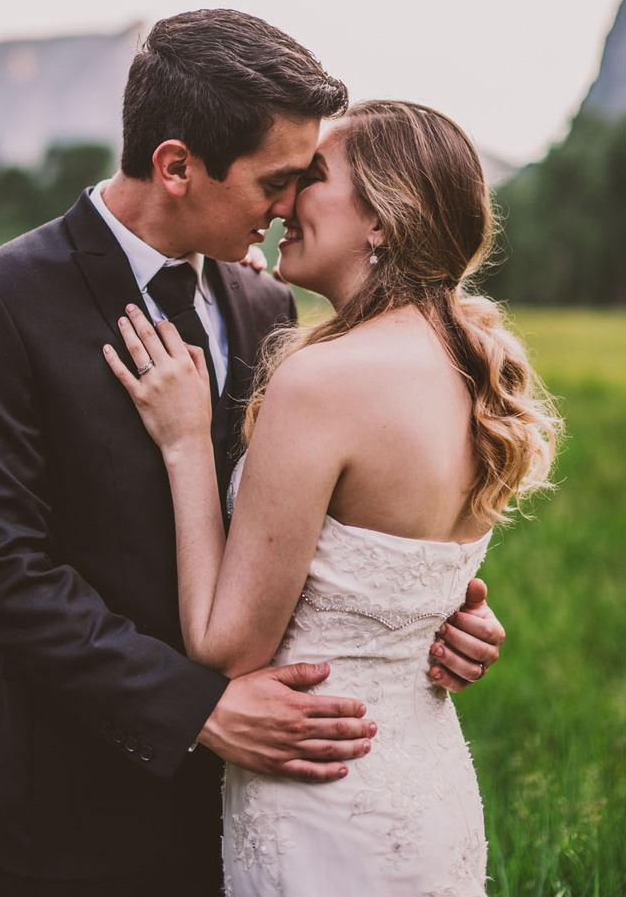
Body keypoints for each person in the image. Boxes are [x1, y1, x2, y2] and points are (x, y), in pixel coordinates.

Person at [0, 14, 505, 896]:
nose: (288, 207)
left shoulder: (265, 306)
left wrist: (428, 611)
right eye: (278, 180)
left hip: (265, 801)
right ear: (176, 165)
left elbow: (300, 521)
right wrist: (197, 712)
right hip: (82, 810)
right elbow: (0, 573)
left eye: (307, 179)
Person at [103, 98, 558, 896]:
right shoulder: (476, 362)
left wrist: (184, 441)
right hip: (426, 786)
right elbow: (402, 570)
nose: (283, 203)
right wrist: (456, 614)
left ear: (380, 219)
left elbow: (224, 644)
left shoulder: (323, 380)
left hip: (324, 799)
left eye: (312, 178)